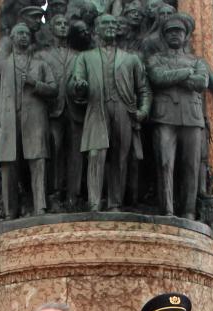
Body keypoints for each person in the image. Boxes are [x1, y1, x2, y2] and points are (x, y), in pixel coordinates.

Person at [145, 14, 213, 219]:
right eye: (170, 32)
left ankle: (189, 211)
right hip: (165, 117)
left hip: (192, 119)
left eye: (179, 32)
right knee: (165, 164)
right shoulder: (156, 59)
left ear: (186, 36)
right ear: (164, 36)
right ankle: (167, 210)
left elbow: (202, 82)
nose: (175, 35)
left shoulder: (198, 61)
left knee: (191, 167)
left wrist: (174, 76)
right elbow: (157, 77)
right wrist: (185, 73)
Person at [69, 14, 151, 212]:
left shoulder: (131, 59)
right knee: (96, 153)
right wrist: (79, 87)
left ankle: (115, 203)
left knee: (120, 158)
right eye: (105, 23)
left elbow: (144, 89)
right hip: (97, 108)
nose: (111, 26)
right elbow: (75, 82)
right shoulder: (85, 57)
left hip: (124, 111)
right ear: (96, 29)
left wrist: (143, 110)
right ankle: (94, 203)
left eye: (114, 23)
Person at [0, 24, 57, 218]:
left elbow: (54, 89)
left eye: (27, 34)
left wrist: (35, 84)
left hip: (35, 120)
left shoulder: (40, 65)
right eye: (20, 34)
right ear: (12, 37)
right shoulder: (2, 66)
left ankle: (40, 207)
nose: (24, 37)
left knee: (38, 162)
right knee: (9, 166)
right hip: (9, 122)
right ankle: (10, 212)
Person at [37, 11, 86, 212]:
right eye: (59, 24)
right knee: (55, 151)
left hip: (74, 109)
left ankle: (74, 195)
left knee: (76, 153)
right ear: (51, 28)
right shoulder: (41, 55)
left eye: (66, 24)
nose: (63, 27)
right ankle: (55, 193)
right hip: (52, 110)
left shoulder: (79, 56)